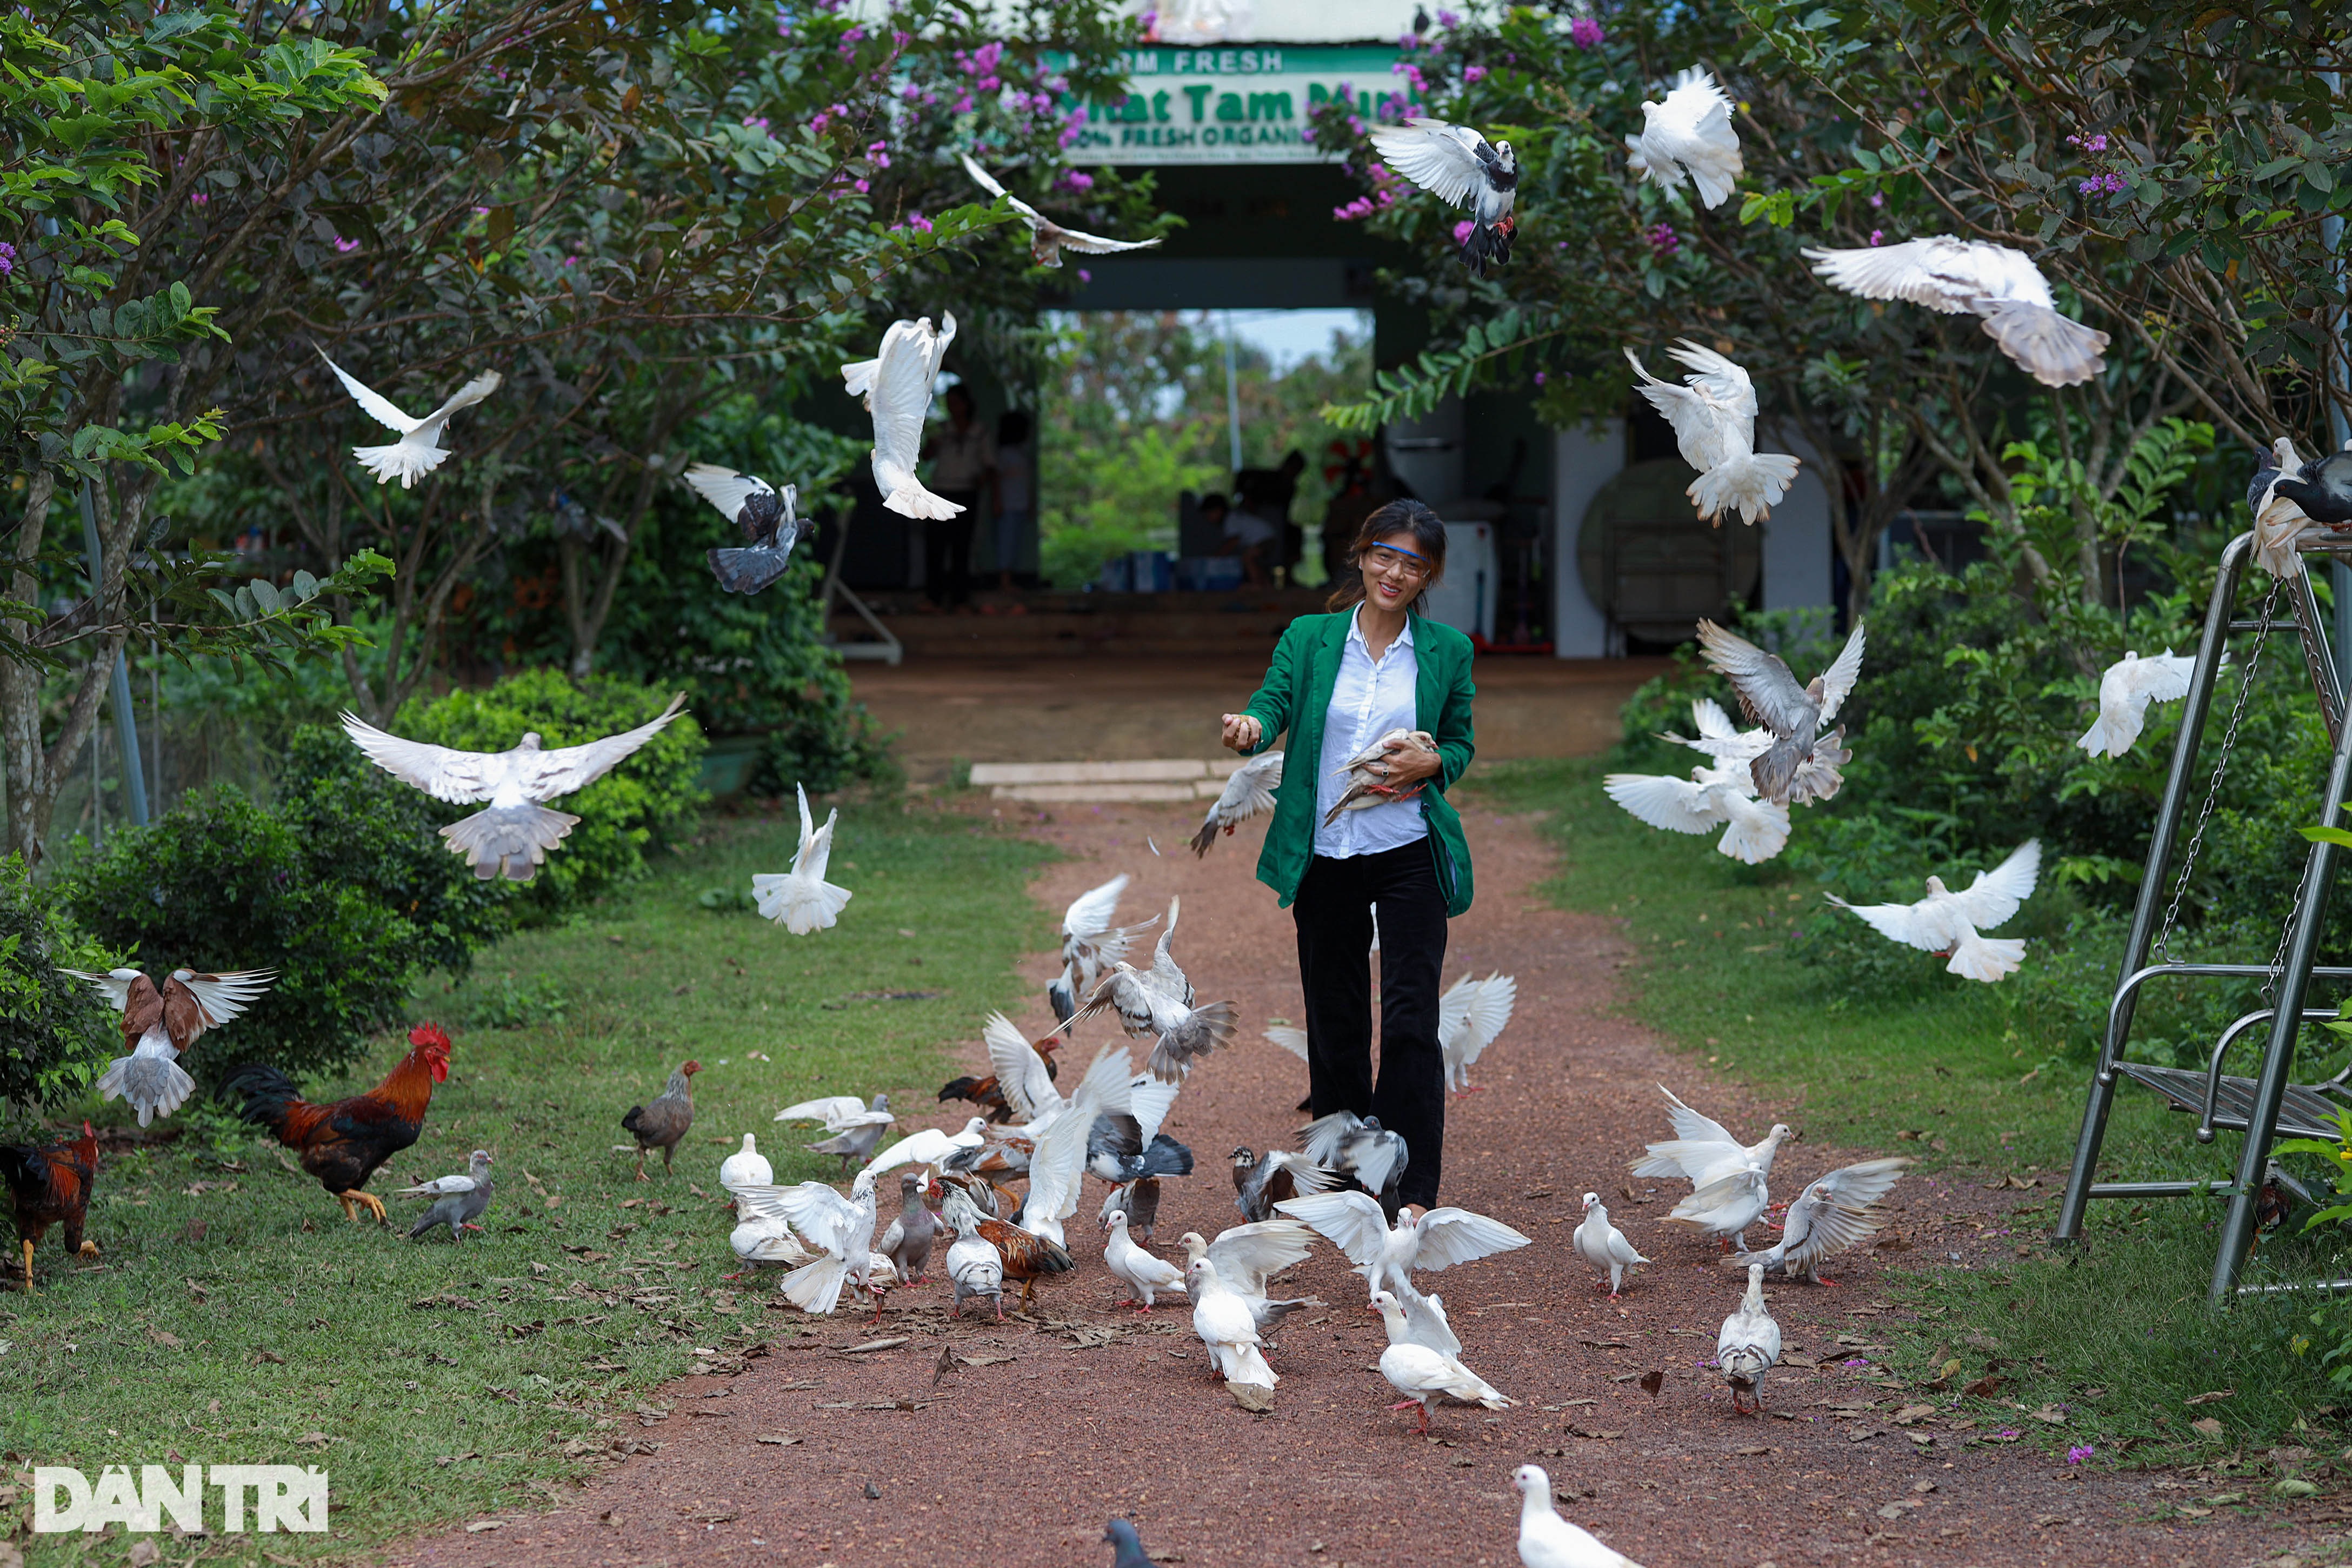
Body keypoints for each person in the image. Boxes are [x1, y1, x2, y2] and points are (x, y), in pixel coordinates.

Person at [1218, 499, 1476, 1220]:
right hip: (1325, 851)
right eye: (1384, 556)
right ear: (1360, 557)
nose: (1395, 572)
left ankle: (1408, 1184)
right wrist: (1250, 727)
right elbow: (1273, 703)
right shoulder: (1308, 637)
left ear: (1427, 575)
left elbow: (1458, 742)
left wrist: (1434, 760)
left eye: (1412, 563)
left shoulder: (1446, 650)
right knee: (1333, 1020)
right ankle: (1335, 1172)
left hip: (1405, 851)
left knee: (1407, 1019)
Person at [921, 383, 994, 610]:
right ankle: (934, 598)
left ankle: (960, 599)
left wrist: (981, 482)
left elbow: (990, 465)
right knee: (936, 547)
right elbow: (925, 457)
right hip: (941, 491)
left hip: (966, 493)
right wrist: (932, 443)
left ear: (966, 404)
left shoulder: (979, 432)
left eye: (956, 403)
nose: (953, 408)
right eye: (950, 403)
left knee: (961, 547)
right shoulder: (942, 430)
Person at [992, 409, 1033, 595]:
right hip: (1008, 505)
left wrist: (1030, 503)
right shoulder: (1004, 454)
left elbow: (1027, 482)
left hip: (1020, 504)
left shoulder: (1022, 454)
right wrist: (998, 502)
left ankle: (1010, 580)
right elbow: (996, 479)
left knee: (1015, 542)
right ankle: (1004, 581)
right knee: (1006, 543)